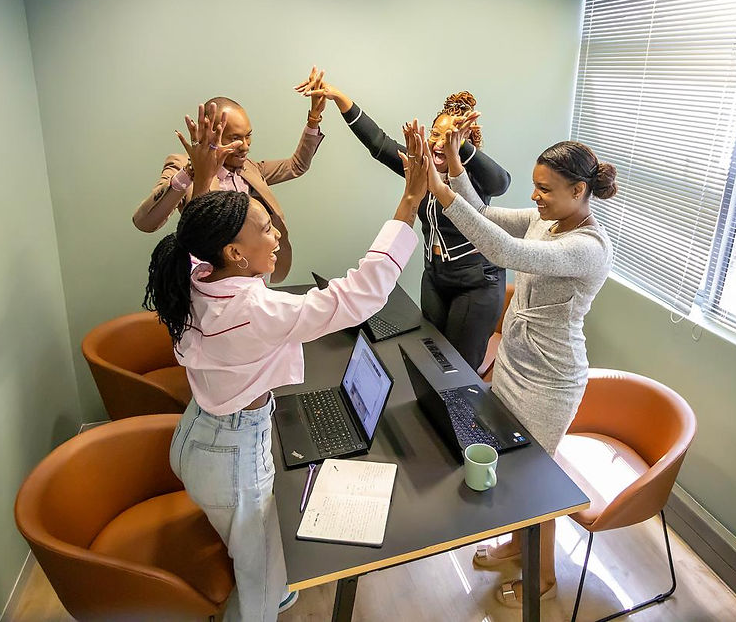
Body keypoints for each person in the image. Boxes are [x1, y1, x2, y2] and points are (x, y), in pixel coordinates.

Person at [144, 110, 428, 621]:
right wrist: (409, 200)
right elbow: (359, 295)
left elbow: (192, 236)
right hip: (231, 457)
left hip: (196, 437)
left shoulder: (194, 273)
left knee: (260, 565)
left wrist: (203, 176)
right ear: (236, 252)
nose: (276, 232)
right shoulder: (256, 309)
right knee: (260, 585)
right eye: (264, 229)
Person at [425, 128, 617, 606]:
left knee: (535, 481)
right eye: (536, 185)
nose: (535, 196)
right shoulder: (545, 221)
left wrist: (442, 191)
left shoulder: (587, 247)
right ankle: (515, 548)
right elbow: (486, 215)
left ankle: (544, 577)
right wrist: (453, 165)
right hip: (515, 363)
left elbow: (502, 251)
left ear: (579, 191)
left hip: (551, 381)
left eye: (546, 189)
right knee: (513, 467)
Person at [297, 76, 511, 370]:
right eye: (435, 134)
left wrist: (456, 147)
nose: (438, 143)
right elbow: (378, 143)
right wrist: (339, 98)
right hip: (436, 276)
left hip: (477, 284)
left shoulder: (475, 179)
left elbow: (502, 182)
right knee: (431, 356)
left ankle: (465, 418)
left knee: (457, 370)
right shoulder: (420, 168)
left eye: (449, 137)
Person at [134, 67, 328, 283]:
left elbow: (297, 165)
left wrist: (314, 119)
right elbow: (145, 222)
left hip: (255, 276)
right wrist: (193, 170)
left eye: (248, 137)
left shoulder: (250, 168)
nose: (245, 146)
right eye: (235, 138)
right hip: (210, 281)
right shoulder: (183, 167)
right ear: (211, 134)